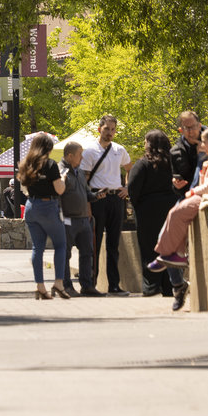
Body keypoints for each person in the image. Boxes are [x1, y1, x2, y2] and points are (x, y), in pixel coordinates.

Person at [147, 127, 208, 310]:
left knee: (175, 214)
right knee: (175, 221)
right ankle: (173, 260)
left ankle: (168, 256)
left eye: (205, 142)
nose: (201, 145)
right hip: (205, 197)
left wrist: (192, 190)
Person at [78, 114, 132, 296]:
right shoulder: (90, 151)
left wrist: (127, 187)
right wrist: (87, 202)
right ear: (99, 129)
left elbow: (130, 169)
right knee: (94, 243)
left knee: (114, 244)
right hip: (98, 198)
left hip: (116, 199)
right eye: (107, 128)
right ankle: (90, 284)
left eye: (113, 129)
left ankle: (114, 285)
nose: (110, 132)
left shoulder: (119, 149)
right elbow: (83, 178)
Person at [17, 134, 70, 299]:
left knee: (37, 248)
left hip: (31, 207)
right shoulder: (50, 164)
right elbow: (60, 190)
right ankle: (59, 283)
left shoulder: (25, 164)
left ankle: (40, 286)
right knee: (61, 245)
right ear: (48, 148)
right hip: (48, 207)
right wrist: (63, 178)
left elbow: (24, 187)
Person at [128, 130, 179, 298]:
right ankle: (168, 285)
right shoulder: (174, 163)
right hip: (171, 210)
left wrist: (139, 206)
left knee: (149, 249)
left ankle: (151, 286)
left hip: (147, 212)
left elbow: (133, 188)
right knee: (167, 248)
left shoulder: (143, 164)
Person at [59, 141, 99, 296]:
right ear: (70, 156)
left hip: (83, 219)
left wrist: (97, 195)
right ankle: (66, 285)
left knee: (87, 252)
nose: (82, 158)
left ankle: (87, 285)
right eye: (79, 155)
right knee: (65, 253)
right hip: (67, 219)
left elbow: (87, 193)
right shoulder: (60, 172)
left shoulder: (80, 172)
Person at [170, 111, 204, 194]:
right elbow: (175, 184)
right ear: (181, 130)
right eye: (187, 128)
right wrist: (176, 184)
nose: (191, 131)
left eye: (193, 127)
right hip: (188, 195)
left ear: (199, 126)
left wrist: (205, 154)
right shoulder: (175, 152)